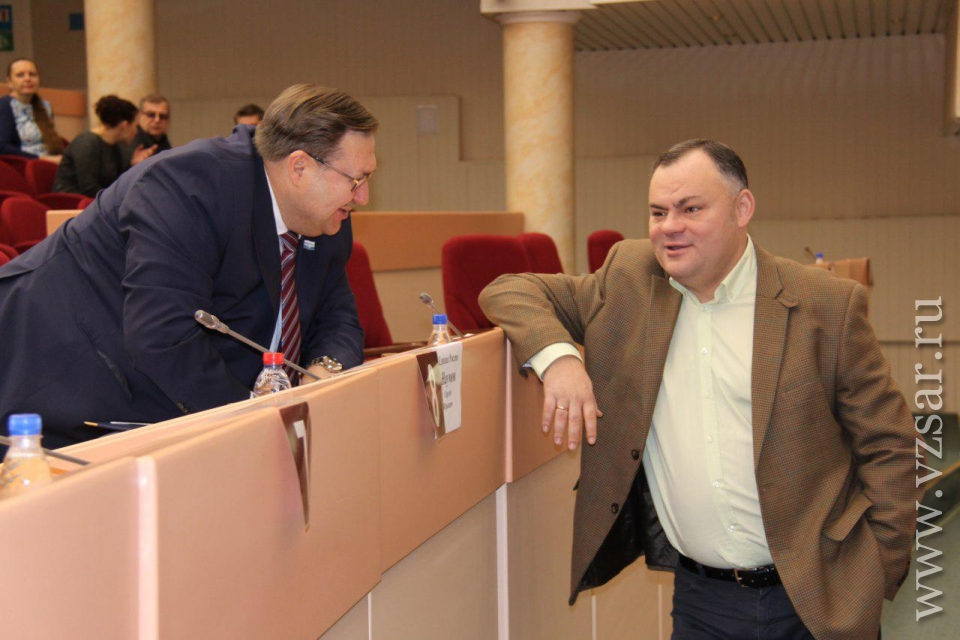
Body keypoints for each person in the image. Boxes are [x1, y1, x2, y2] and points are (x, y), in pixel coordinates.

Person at [479, 140, 919, 639]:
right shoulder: (629, 280)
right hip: (701, 603)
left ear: (742, 209)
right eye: (658, 212)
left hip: (819, 596)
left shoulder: (824, 305)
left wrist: (876, 567)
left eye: (691, 209)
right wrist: (559, 358)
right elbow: (507, 290)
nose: (670, 226)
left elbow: (891, 444)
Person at [0, 84, 374, 449]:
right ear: (299, 167)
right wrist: (252, 422)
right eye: (356, 180)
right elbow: (164, 333)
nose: (363, 196)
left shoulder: (326, 215)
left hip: (167, 399)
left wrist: (325, 372)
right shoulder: (186, 187)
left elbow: (338, 315)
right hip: (58, 382)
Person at [52, 95, 156, 197]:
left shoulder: (115, 145)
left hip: (94, 200)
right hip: (71, 201)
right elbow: (88, 187)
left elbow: (116, 182)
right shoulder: (87, 142)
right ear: (124, 125)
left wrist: (132, 165)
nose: (136, 131)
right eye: (135, 126)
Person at [0, 58, 64, 161]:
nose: (27, 79)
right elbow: (2, 147)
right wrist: (42, 159)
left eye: (32, 74)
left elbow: (52, 143)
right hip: (22, 164)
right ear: (9, 82)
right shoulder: (4, 106)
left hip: (51, 162)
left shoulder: (46, 106)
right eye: (20, 75)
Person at [120, 93, 172, 166]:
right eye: (151, 115)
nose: (157, 120)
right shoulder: (129, 141)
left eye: (162, 116)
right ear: (139, 116)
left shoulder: (164, 143)